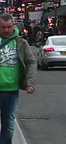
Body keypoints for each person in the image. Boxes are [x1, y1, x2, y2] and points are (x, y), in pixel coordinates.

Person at [0, 14, 36, 143]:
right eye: (3, 27)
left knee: (8, 124)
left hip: (11, 90)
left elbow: (31, 62)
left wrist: (30, 82)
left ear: (13, 26)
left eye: (9, 27)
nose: (6, 30)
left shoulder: (20, 43)